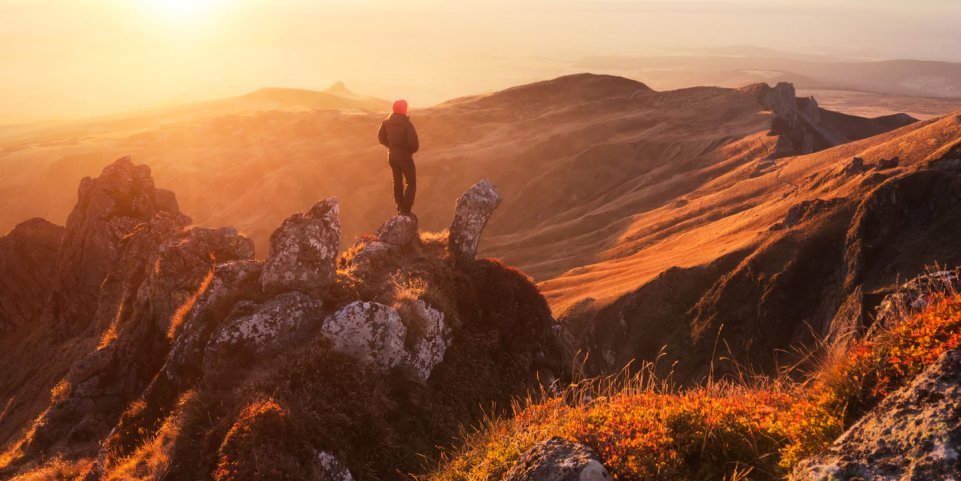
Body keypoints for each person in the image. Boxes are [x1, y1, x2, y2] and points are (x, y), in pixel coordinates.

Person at [377, 99, 419, 215]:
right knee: (411, 183)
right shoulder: (407, 124)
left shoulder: (386, 121)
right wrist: (407, 151)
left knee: (397, 182)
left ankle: (399, 208)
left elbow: (380, 137)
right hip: (405, 157)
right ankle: (405, 210)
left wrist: (392, 147)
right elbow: (414, 145)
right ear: (404, 109)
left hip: (392, 156)